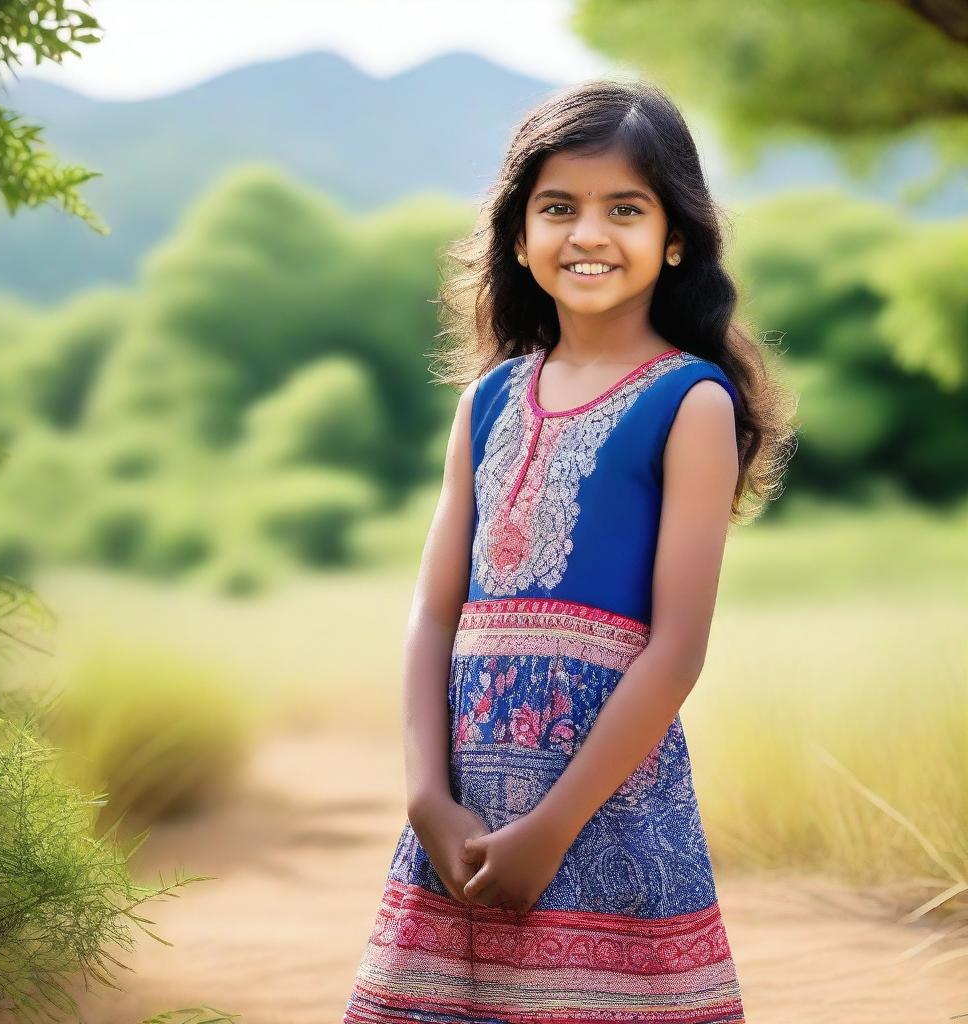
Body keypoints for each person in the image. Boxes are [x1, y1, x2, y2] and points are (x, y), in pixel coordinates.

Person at [343, 76, 796, 1023]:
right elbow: (433, 612)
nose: (588, 234)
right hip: (462, 811)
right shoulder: (489, 401)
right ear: (520, 235)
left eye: (624, 209)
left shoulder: (691, 402)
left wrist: (550, 830)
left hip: (603, 806)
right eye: (559, 208)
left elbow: (676, 652)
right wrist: (428, 796)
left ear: (675, 237)